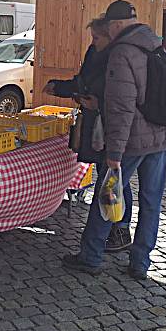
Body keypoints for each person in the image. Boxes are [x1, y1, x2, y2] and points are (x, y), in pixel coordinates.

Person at [63, 0, 166, 280]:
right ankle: (141, 262)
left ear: (114, 26)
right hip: (163, 137)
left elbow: (121, 108)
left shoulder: (122, 53)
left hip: (133, 141)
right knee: (151, 202)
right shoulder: (157, 45)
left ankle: (90, 256)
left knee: (108, 195)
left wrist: (113, 153)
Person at [43, 17, 133, 252]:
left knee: (114, 179)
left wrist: (99, 104)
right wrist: (61, 88)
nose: (93, 42)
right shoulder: (95, 53)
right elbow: (83, 82)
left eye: (96, 37)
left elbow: (122, 96)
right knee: (112, 178)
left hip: (112, 126)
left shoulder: (119, 57)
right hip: (96, 123)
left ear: (110, 35)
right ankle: (115, 229)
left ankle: (117, 230)